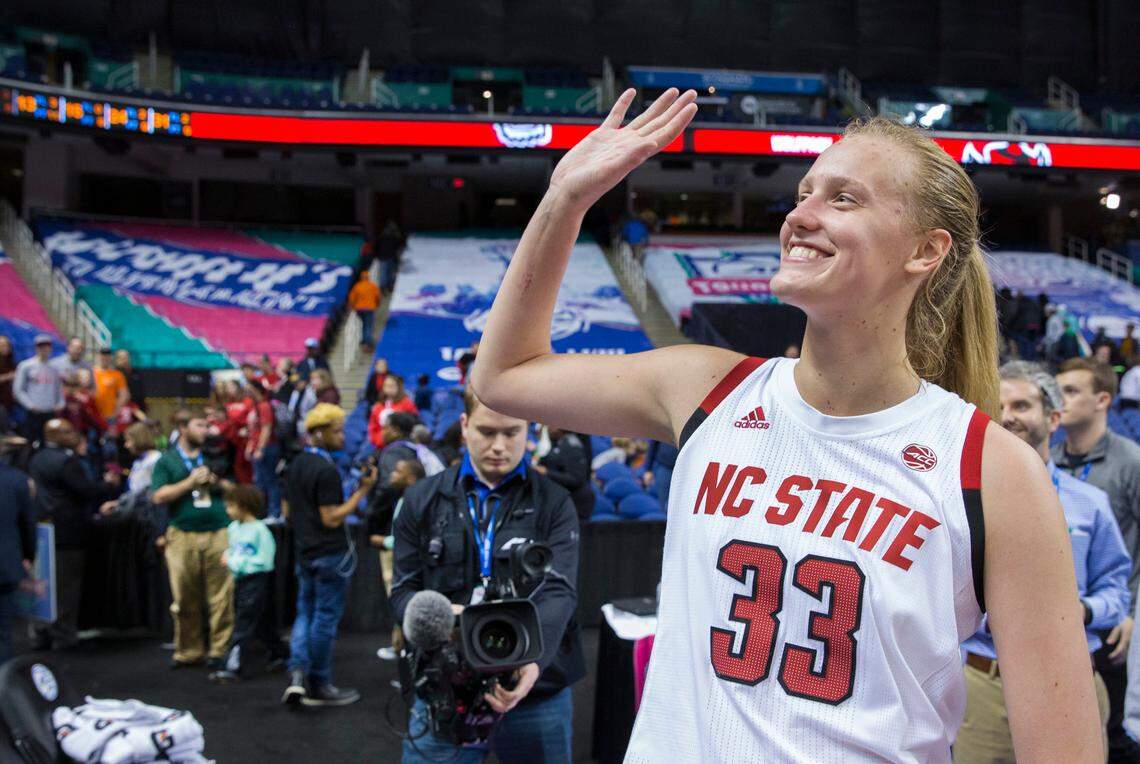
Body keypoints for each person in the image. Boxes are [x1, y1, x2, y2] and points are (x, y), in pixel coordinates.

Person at [470, 91, 1102, 760]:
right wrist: (563, 199)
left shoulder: (991, 469)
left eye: (843, 198)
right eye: (802, 195)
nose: (799, 216)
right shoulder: (709, 389)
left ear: (925, 250)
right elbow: (502, 376)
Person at [391, 388, 584, 762]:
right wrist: (445, 619)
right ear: (464, 426)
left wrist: (532, 659)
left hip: (536, 690)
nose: (499, 445)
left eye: (511, 433)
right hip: (443, 686)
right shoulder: (421, 500)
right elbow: (402, 592)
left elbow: (559, 590)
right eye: (486, 431)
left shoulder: (555, 502)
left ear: (529, 430)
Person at [957, 361, 1131, 761]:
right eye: (997, 406)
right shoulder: (962, 502)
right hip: (986, 687)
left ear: (1053, 419)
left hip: (1072, 682)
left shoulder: (1090, 503)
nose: (1006, 417)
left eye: (1021, 406)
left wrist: (1083, 611)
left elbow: (1115, 590)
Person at [1054, 356, 1140, 759]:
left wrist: (1132, 611)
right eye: (1058, 391)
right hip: (1065, 623)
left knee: (1116, 732)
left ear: (1103, 399)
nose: (1061, 399)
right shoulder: (1048, 462)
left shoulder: (1131, 462)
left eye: (1072, 391)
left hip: (1116, 621)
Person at [281, 403, 376, 708]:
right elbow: (332, 518)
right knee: (323, 619)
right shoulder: (325, 470)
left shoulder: (295, 464)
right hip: (329, 554)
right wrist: (362, 492)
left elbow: (286, 511)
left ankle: (297, 676)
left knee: (304, 614)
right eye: (336, 430)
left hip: (305, 552)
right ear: (318, 432)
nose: (343, 437)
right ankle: (320, 684)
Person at [151, 410, 234, 670]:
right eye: (200, 425)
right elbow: (159, 496)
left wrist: (216, 481)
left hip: (219, 531)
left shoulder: (216, 456)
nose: (207, 430)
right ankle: (189, 650)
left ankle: (220, 650)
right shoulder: (167, 461)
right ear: (183, 428)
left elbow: (237, 489)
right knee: (185, 595)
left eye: (207, 425)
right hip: (182, 533)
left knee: (221, 596)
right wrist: (189, 482)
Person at [26, 419, 120, 650]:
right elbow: (85, 490)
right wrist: (108, 484)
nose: (74, 434)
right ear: (56, 435)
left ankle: (41, 631)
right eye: (67, 431)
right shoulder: (66, 461)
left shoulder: (37, 458)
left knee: (44, 584)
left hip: (44, 528)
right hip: (69, 530)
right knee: (67, 586)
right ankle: (64, 635)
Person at [209, 484, 288, 684]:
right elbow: (232, 550)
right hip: (241, 581)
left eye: (231, 506)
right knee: (260, 621)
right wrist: (229, 557)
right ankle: (280, 653)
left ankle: (231, 666)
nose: (227, 510)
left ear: (244, 506)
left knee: (244, 624)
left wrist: (235, 562)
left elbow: (264, 561)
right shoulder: (233, 528)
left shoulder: (261, 531)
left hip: (257, 581)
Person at [368, 457, 425, 662]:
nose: (392, 475)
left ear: (410, 478)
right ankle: (400, 646)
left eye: (398, 471)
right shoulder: (404, 499)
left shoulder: (417, 501)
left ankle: (407, 650)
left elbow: (411, 537)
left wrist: (385, 542)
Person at [0, 458, 35, 665]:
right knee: (2, 632)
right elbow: (28, 525)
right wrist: (28, 556)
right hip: (5, 566)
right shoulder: (16, 479)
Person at [534, 425, 594, 520]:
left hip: (575, 503)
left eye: (550, 424)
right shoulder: (556, 442)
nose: (548, 428)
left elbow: (576, 479)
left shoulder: (571, 446)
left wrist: (546, 472)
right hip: (562, 501)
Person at [13, 335, 63, 442]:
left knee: (49, 440)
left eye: (46, 346)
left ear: (50, 348)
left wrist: (60, 403)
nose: (44, 349)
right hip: (34, 411)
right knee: (32, 440)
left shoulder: (54, 367)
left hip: (50, 410)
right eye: (41, 346)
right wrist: (30, 405)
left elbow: (58, 388)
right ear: (36, 348)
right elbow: (18, 389)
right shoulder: (26, 366)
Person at [245, 383, 281, 520]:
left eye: (249, 390)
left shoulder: (264, 406)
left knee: (270, 480)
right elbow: (254, 430)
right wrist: (250, 446)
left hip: (267, 448)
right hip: (257, 448)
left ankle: (274, 512)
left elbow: (266, 429)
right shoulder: (255, 406)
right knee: (259, 482)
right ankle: (262, 511)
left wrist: (260, 448)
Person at [368, 374, 419, 449]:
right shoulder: (378, 406)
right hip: (381, 444)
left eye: (392, 386)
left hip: (401, 443)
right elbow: (373, 428)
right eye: (386, 385)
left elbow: (412, 423)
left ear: (398, 387)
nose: (389, 388)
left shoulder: (407, 403)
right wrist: (381, 440)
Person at [347, 270, 382, 347]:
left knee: (364, 324)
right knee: (368, 325)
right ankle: (368, 342)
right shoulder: (372, 286)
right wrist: (377, 304)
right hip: (369, 308)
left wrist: (352, 307)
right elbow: (378, 296)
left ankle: (364, 339)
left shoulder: (357, 286)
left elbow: (352, 298)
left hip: (359, 309)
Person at [0, 335, 16, 422]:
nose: (5, 348)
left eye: (7, 345)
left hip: (7, 400)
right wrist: (8, 376)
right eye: (2, 345)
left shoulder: (11, 361)